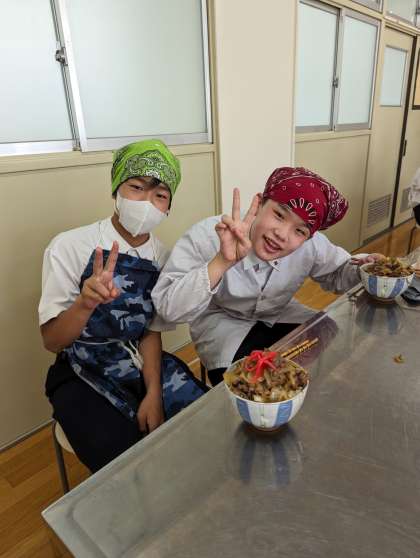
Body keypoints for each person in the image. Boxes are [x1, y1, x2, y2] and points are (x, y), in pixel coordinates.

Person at [39, 139, 207, 472]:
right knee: (129, 465)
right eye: (136, 187)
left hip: (142, 361)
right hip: (79, 369)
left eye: (160, 195)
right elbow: (52, 341)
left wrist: (154, 393)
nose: (146, 202)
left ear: (168, 207)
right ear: (116, 189)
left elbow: (151, 332)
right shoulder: (70, 246)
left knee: (204, 425)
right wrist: (85, 303)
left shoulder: (164, 258)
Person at [152, 166, 382, 386]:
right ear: (261, 203)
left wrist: (365, 268)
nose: (282, 234)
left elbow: (339, 272)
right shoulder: (209, 235)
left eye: (300, 230)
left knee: (326, 333)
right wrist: (221, 262)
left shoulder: (312, 245)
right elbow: (169, 308)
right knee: (246, 382)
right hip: (221, 319)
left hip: (278, 312)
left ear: (309, 237)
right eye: (279, 215)